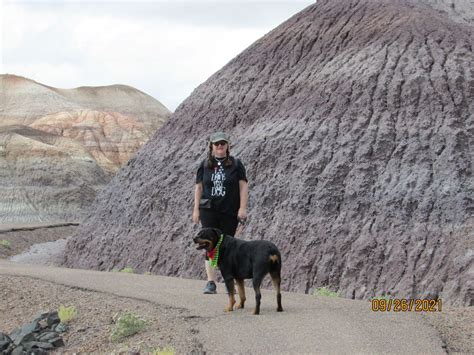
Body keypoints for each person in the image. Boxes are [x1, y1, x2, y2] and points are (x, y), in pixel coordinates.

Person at [193, 131, 249, 294]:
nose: (220, 146)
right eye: (216, 144)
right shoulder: (204, 164)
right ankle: (211, 282)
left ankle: (228, 280)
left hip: (229, 210)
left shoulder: (236, 164)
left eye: (222, 144)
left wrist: (242, 208)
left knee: (228, 246)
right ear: (211, 146)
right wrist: (196, 209)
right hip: (208, 210)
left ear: (227, 146)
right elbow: (199, 187)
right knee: (209, 245)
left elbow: (243, 186)